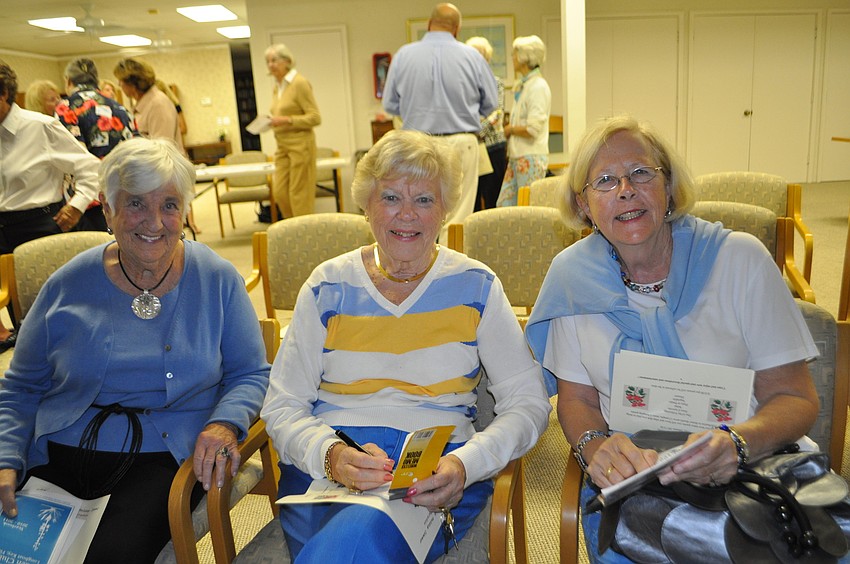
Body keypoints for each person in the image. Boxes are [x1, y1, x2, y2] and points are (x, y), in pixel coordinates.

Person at [525, 115, 820, 563]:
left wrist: (736, 444)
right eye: (604, 181)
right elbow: (577, 401)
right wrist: (594, 448)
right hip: (638, 480)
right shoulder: (572, 279)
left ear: (669, 187)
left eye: (641, 173)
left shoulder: (739, 260)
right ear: (583, 205)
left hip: (751, 468)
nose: (625, 189)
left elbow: (795, 398)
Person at [261, 130, 550, 563]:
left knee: (354, 546)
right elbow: (281, 406)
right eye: (391, 197)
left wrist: (466, 465)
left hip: (436, 470)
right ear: (367, 205)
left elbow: (530, 404)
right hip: (331, 467)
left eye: (424, 200)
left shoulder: (477, 286)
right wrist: (331, 455)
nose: (407, 215)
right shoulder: (327, 285)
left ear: (446, 208)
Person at [0, 137, 271, 562]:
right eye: (135, 204)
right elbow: (20, 386)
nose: (154, 221)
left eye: (168, 204)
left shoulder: (216, 278)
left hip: (164, 456)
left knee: (110, 555)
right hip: (61, 447)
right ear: (107, 210)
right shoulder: (68, 284)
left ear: (184, 211)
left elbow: (251, 373)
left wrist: (224, 423)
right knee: (19, 551)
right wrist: (5, 455)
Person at [0, 60, 101, 350]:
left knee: (55, 312)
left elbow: (90, 168)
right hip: (2, 227)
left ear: (4, 93)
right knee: (19, 316)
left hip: (39, 225)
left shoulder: (40, 126)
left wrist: (78, 204)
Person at [382, 3, 498, 242]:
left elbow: (390, 106)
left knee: (416, 212)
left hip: (416, 143)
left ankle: (419, 270)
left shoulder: (404, 55)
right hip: (461, 141)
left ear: (428, 24)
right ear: (456, 29)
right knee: (458, 218)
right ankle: (450, 273)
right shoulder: (472, 56)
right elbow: (491, 104)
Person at [114, 59, 202, 235]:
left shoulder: (157, 104)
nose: (119, 85)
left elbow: (162, 149)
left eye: (121, 81)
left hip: (160, 180)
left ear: (132, 83)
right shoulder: (145, 103)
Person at [56, 58, 138, 232]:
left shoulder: (66, 108)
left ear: (69, 81)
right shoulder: (120, 108)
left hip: (89, 201)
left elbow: (73, 157)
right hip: (123, 194)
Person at [264, 43, 322, 219]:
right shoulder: (278, 86)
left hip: (300, 146)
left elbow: (315, 117)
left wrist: (287, 120)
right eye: (267, 61)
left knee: (299, 197)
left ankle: (303, 237)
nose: (270, 65)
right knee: (280, 193)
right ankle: (292, 232)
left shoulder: (299, 83)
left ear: (287, 61)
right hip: (282, 146)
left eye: (274, 60)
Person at [496, 35, 551, 207]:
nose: (512, 57)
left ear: (525, 57)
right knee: (504, 206)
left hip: (530, 158)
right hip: (517, 156)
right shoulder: (525, 85)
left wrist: (510, 129)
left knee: (527, 210)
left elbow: (532, 129)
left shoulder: (538, 87)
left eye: (515, 53)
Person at [465, 36, 507, 211]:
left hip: (492, 147)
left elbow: (496, 114)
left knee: (492, 199)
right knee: (470, 199)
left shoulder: (495, 82)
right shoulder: (463, 83)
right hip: (470, 148)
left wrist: (474, 130)